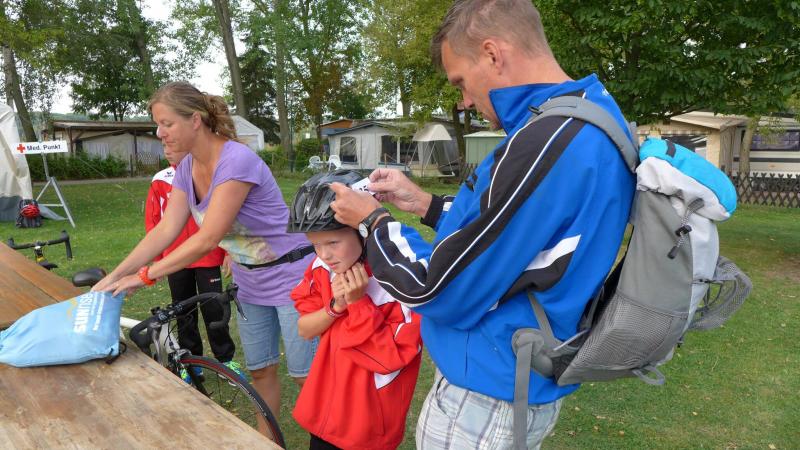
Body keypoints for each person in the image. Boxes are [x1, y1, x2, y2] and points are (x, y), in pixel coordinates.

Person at [328, 1, 636, 448]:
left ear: (492, 54)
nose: (465, 101)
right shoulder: (593, 115)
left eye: (461, 82)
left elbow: (437, 289)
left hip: (487, 393)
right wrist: (426, 204)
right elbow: (520, 232)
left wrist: (373, 222)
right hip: (520, 376)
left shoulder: (545, 140)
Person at [93, 81, 316, 428]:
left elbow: (208, 238)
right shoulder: (186, 168)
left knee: (306, 378)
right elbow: (165, 230)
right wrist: (113, 276)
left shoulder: (236, 160)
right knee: (261, 372)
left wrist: (145, 276)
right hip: (250, 280)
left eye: (167, 123)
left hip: (293, 276)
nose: (160, 133)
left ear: (195, 120)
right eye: (158, 124)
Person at [287, 170, 422, 450]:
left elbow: (390, 358)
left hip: (366, 427)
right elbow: (304, 329)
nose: (324, 255)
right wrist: (335, 307)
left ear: (363, 233)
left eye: (333, 242)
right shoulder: (321, 269)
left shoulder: (400, 283)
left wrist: (359, 304)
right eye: (315, 245)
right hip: (324, 414)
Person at [145, 144, 241, 380]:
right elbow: (153, 219)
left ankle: (225, 360)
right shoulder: (160, 180)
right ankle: (191, 361)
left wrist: (228, 251)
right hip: (176, 259)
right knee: (183, 310)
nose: (167, 150)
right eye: (164, 146)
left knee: (214, 308)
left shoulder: (208, 175)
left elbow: (226, 214)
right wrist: (158, 259)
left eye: (172, 145)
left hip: (208, 255)